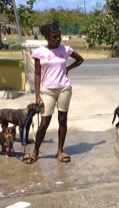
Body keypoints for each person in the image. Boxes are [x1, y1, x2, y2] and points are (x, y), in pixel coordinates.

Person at [23, 23, 84, 164]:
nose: (57, 39)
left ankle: (60, 151)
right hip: (47, 91)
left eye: (59, 36)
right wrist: (37, 96)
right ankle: (35, 152)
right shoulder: (39, 52)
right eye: (54, 37)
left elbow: (80, 60)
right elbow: (37, 75)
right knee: (44, 123)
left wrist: (68, 68)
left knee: (63, 120)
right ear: (46, 37)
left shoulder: (66, 49)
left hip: (64, 89)